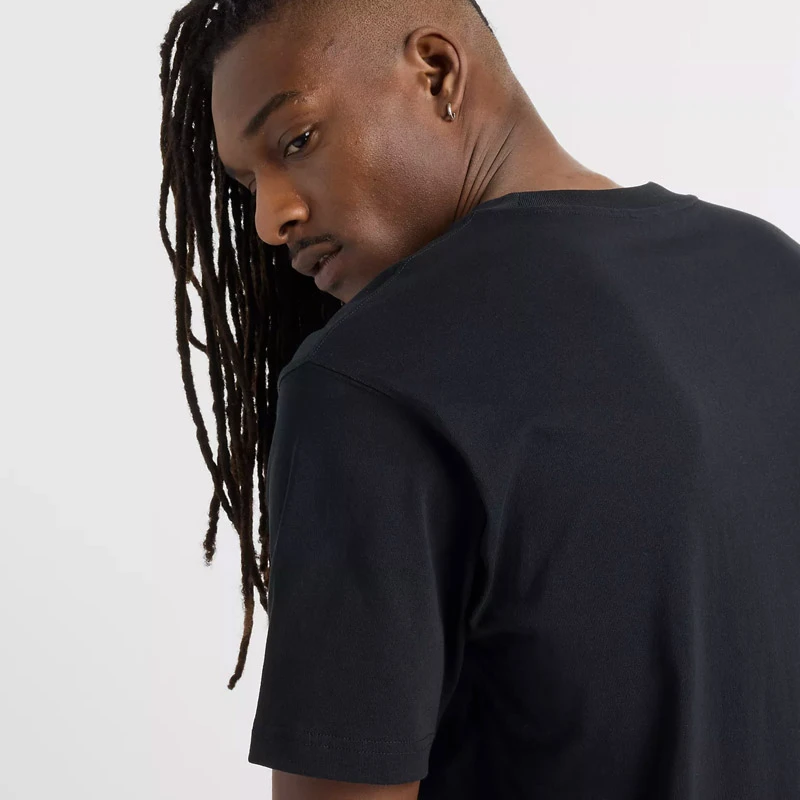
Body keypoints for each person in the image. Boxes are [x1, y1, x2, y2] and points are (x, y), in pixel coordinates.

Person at [158, 0, 800, 797]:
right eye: (248, 185)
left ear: (436, 72)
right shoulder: (770, 271)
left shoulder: (368, 382)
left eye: (297, 141)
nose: (269, 218)